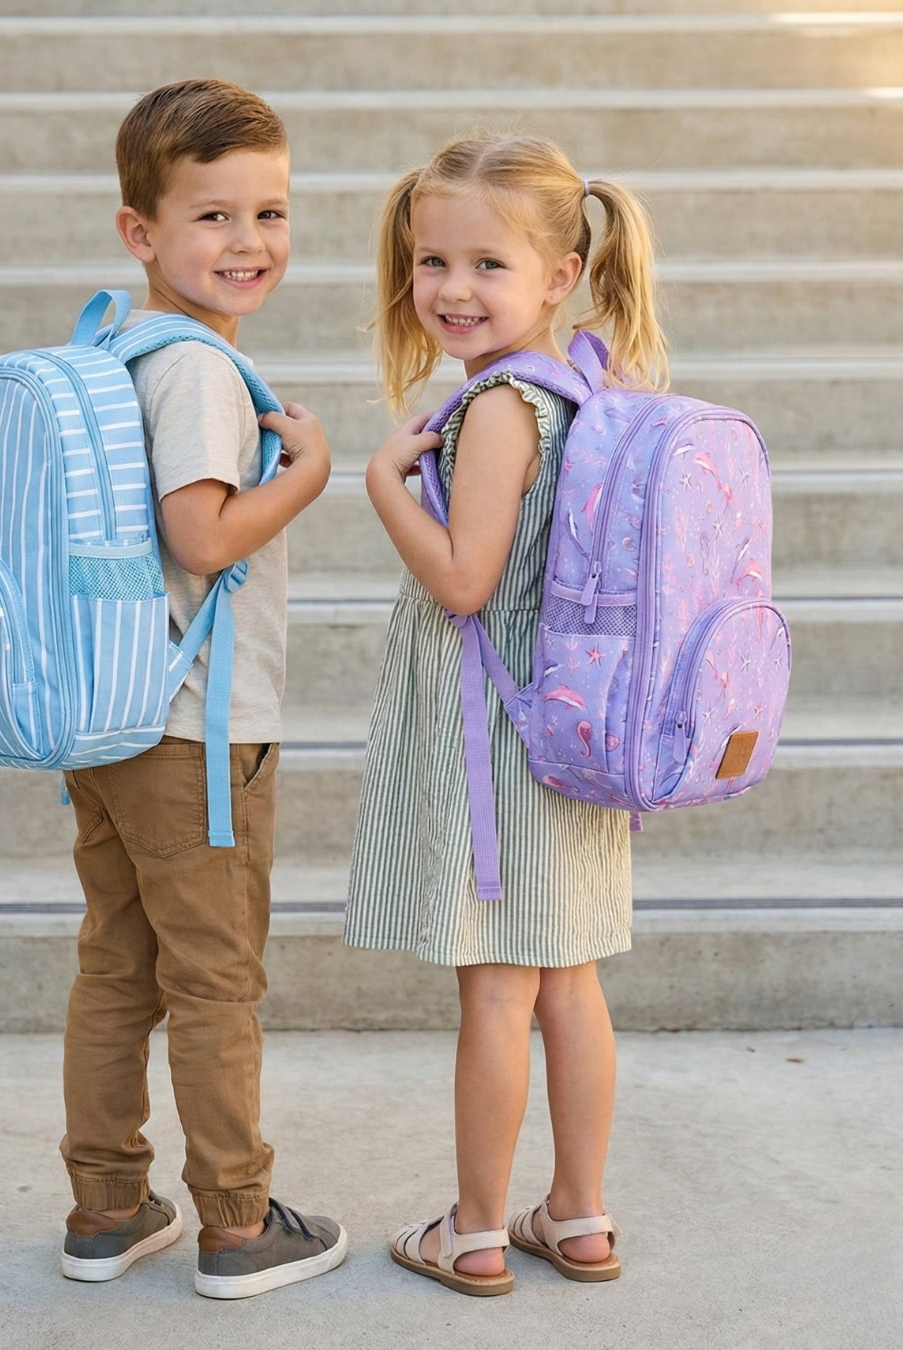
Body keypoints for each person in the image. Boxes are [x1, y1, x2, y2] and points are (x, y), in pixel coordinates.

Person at [344, 132, 667, 1296]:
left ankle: (475, 1230)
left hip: (504, 738)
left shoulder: (498, 408)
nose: (452, 289)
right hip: (572, 724)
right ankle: (577, 1216)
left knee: (496, 986)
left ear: (561, 273)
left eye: (488, 264)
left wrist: (383, 485)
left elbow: (463, 580)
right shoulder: (588, 389)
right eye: (433, 260)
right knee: (569, 981)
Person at [57, 79, 346, 1300]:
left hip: (110, 715)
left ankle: (107, 1206)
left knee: (117, 969)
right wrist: (310, 473)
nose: (249, 242)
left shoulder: (112, 346)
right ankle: (237, 1221)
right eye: (213, 216)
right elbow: (204, 537)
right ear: (142, 231)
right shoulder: (198, 372)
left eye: (269, 213)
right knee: (215, 982)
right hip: (196, 733)